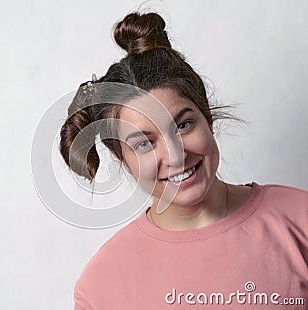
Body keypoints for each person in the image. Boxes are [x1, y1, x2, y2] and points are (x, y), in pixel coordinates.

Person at [59, 12, 308, 309]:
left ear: (207, 117)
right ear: (121, 157)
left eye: (183, 125)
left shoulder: (299, 218)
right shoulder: (102, 285)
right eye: (144, 143)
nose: (176, 155)